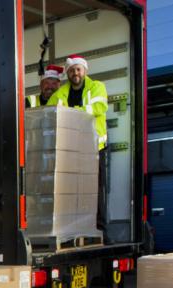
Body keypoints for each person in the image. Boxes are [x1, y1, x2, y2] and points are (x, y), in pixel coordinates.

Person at [49, 54, 110, 231]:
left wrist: (72, 112)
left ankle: (100, 229)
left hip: (95, 148)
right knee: (73, 191)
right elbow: (51, 112)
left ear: (84, 71)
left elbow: (100, 108)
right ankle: (75, 228)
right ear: (67, 73)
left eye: (78, 69)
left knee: (97, 192)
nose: (75, 73)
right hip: (72, 149)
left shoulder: (97, 87)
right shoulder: (60, 93)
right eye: (72, 70)